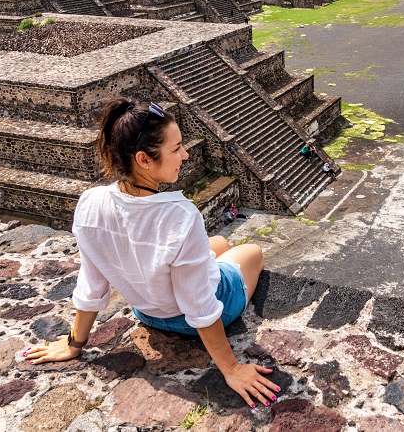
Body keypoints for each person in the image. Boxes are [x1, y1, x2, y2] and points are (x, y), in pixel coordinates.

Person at [23, 99, 280, 408]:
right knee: (251, 251)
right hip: (201, 314)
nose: (185, 155)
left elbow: (92, 285)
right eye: (176, 149)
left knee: (219, 246)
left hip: (149, 313)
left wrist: (74, 344)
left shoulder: (90, 203)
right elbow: (199, 306)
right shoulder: (180, 215)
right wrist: (232, 369)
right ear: (144, 159)